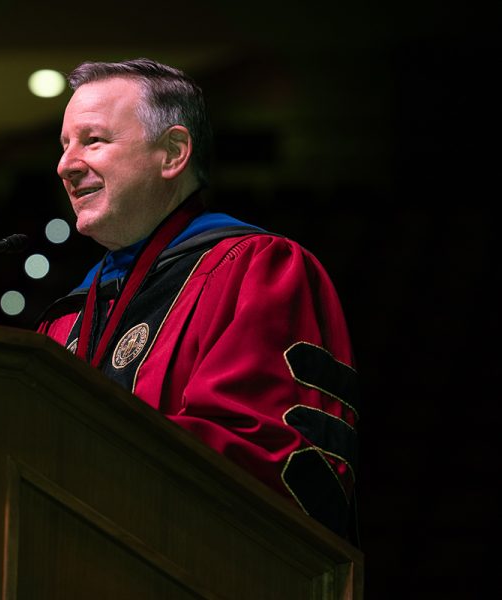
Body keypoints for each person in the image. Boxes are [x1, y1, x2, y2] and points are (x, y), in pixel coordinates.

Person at [36, 58, 359, 542]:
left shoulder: (256, 270)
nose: (66, 164)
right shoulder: (65, 321)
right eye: (64, 146)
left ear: (173, 153)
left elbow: (265, 454)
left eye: (93, 140)